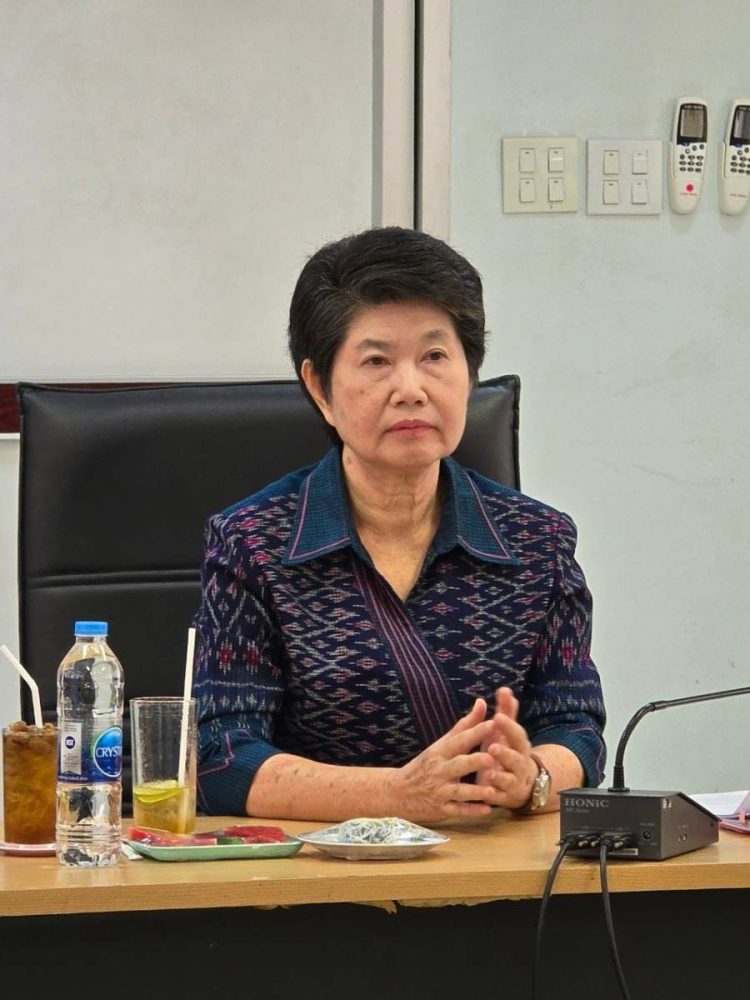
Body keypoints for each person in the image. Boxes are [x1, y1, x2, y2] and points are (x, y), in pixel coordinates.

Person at [193, 226, 605, 822]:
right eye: (377, 361)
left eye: (435, 357)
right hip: (318, 865)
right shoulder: (253, 542)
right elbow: (220, 757)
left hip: (492, 860)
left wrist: (532, 777)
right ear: (320, 387)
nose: (411, 390)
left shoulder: (538, 540)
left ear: (470, 373)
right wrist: (395, 795)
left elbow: (577, 729)